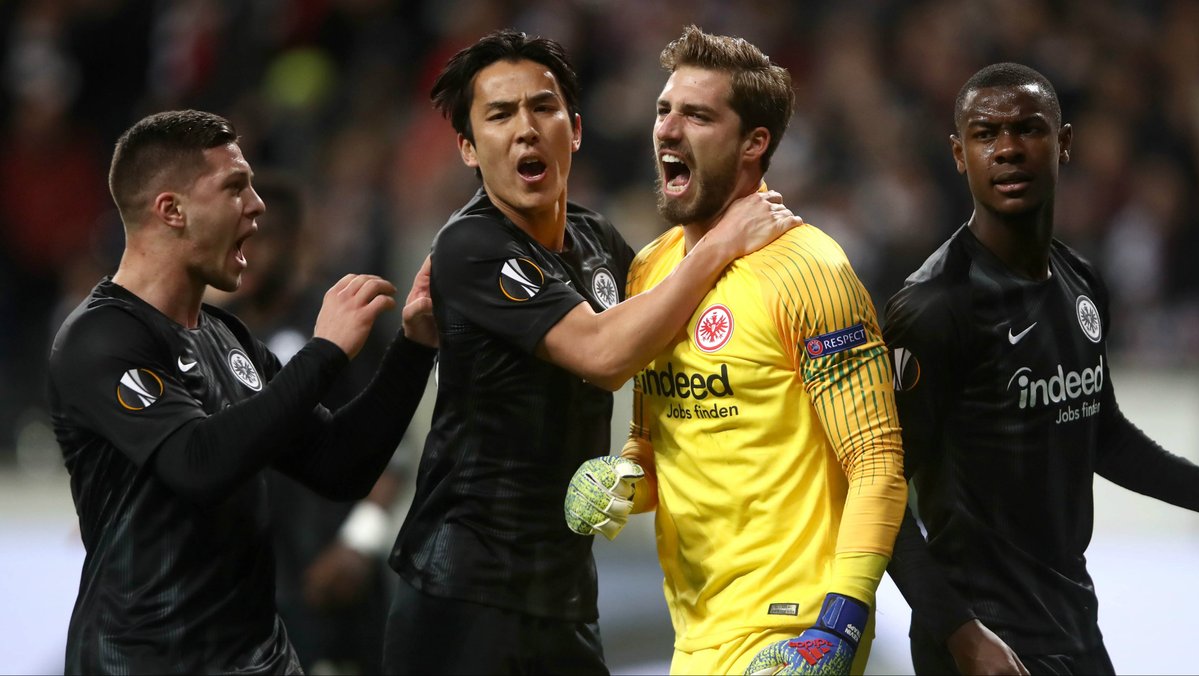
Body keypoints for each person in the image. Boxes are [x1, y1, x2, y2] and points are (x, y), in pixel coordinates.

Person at [383, 29, 800, 675]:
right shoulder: (470, 246)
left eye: (542, 108)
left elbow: (678, 327)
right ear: (468, 147)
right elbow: (604, 355)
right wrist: (723, 243)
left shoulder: (597, 239)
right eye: (500, 115)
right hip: (465, 596)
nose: (526, 130)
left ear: (574, 130)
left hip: (563, 595)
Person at [564, 25, 908, 676]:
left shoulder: (810, 270)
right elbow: (654, 442)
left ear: (755, 143)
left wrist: (838, 624)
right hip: (698, 631)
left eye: (697, 116)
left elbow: (877, 462)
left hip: (793, 627)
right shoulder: (650, 271)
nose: (668, 130)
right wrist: (621, 481)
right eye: (664, 110)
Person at [47, 109, 438, 674]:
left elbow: (340, 466)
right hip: (146, 661)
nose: (256, 206)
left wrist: (415, 346)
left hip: (259, 658)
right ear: (172, 210)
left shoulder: (227, 336)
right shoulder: (100, 337)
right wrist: (324, 352)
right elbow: (198, 464)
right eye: (235, 187)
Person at [882, 62, 1199, 676]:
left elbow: (1103, 435)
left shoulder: (1081, 282)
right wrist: (961, 634)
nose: (1007, 149)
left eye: (1028, 129)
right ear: (959, 154)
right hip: (982, 642)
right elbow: (880, 490)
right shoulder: (933, 307)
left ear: (1064, 142)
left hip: (1073, 625)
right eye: (985, 134)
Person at [219, 174, 413, 675]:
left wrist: (358, 544)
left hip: (333, 578)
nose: (249, 254)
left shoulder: (342, 321)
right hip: (252, 584)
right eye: (239, 240)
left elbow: (393, 447)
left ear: (294, 240)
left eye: (262, 238)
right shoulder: (217, 333)